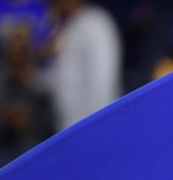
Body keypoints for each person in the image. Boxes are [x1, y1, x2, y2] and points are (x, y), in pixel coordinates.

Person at [45, 0, 122, 129]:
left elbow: (102, 81)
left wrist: (93, 127)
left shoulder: (95, 22)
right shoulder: (69, 27)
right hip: (68, 127)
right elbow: (64, 79)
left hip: (90, 127)